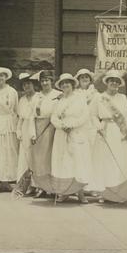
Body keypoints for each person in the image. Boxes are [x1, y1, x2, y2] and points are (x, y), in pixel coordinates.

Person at [50, 73, 94, 203]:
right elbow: (53, 117)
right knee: (63, 163)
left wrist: (72, 125)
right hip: (61, 133)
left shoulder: (79, 99)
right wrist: (61, 125)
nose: (65, 85)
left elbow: (85, 115)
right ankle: (64, 192)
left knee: (77, 162)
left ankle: (80, 193)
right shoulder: (59, 100)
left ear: (72, 84)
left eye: (67, 83)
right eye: (62, 83)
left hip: (76, 133)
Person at [91, 70, 127, 199]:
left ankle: (117, 189)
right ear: (107, 82)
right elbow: (93, 115)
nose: (114, 83)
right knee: (103, 160)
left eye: (117, 81)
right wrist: (98, 127)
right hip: (105, 130)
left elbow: (126, 116)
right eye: (111, 80)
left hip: (119, 130)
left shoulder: (123, 98)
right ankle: (103, 190)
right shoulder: (99, 97)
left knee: (118, 158)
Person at [30, 70, 62, 197]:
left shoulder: (58, 94)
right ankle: (41, 187)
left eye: (47, 80)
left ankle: (53, 187)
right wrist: (32, 133)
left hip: (54, 127)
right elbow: (31, 116)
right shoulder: (36, 96)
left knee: (53, 158)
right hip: (39, 128)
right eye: (42, 81)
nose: (45, 83)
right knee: (40, 159)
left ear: (51, 81)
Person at [75, 68, 100, 196]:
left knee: (92, 156)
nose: (84, 79)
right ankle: (80, 186)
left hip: (91, 127)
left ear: (90, 79)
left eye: (87, 77)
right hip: (79, 128)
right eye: (82, 77)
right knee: (80, 157)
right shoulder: (75, 94)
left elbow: (99, 112)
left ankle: (92, 186)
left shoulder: (96, 94)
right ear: (78, 80)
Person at [14, 72, 39, 195]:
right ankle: (25, 184)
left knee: (35, 156)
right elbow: (20, 118)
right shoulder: (22, 99)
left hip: (36, 127)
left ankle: (36, 184)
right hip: (24, 128)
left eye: (29, 84)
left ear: (33, 84)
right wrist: (18, 131)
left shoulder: (39, 97)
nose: (27, 87)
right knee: (25, 156)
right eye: (24, 85)